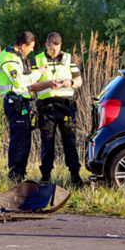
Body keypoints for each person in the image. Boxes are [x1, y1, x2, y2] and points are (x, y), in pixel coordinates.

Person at [0, 31, 60, 183]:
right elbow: (20, 81)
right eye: (31, 47)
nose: (31, 50)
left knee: (24, 141)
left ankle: (20, 173)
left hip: (21, 103)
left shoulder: (17, 56)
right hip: (14, 104)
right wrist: (39, 72)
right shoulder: (9, 58)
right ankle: (15, 176)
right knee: (19, 141)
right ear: (23, 46)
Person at [33, 32, 84, 187]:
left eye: (57, 48)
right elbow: (32, 85)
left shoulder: (69, 58)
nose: (54, 51)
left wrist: (70, 82)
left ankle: (75, 176)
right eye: (51, 48)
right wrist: (48, 83)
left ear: (60, 45)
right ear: (47, 45)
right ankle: (46, 177)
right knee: (47, 144)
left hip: (65, 106)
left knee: (70, 142)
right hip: (46, 108)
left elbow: (79, 80)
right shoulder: (38, 59)